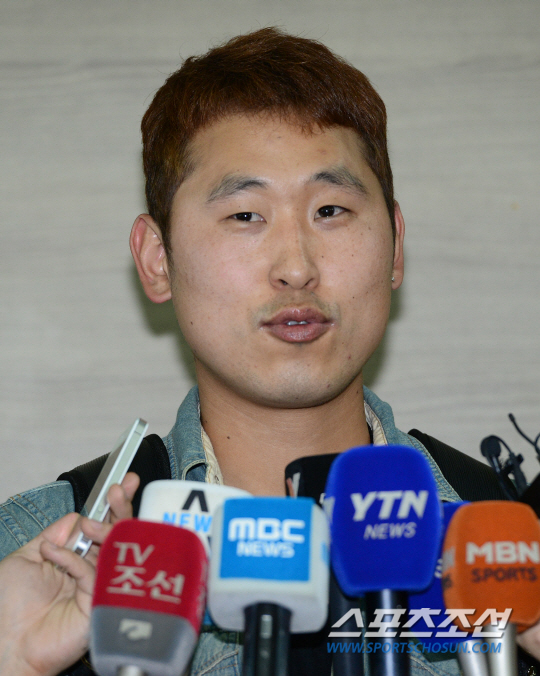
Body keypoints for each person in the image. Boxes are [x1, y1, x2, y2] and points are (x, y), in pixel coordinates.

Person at [0, 26, 538, 675]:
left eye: (331, 210)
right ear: (157, 259)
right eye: (245, 215)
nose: (296, 268)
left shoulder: (510, 548)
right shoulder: (36, 559)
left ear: (396, 245)